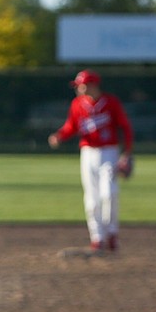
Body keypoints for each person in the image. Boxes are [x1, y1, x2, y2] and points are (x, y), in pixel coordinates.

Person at [48, 70, 133, 253]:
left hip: (109, 152)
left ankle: (112, 234)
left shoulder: (111, 102)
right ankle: (97, 238)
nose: (78, 89)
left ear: (93, 85)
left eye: (81, 85)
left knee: (109, 194)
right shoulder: (77, 104)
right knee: (91, 198)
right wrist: (59, 136)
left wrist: (127, 153)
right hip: (87, 153)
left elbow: (125, 127)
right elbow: (71, 126)